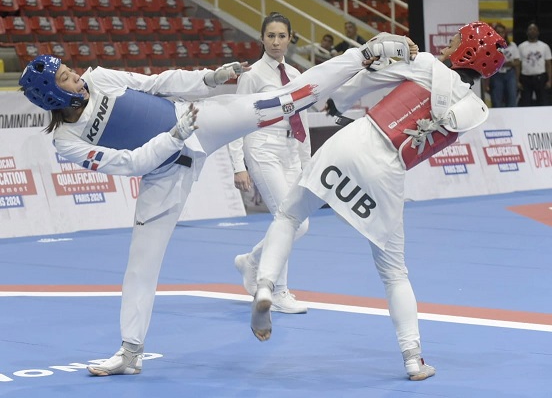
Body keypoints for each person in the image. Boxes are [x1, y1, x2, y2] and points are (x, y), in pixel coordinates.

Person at [18, 32, 408, 375]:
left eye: (69, 69)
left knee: (289, 100)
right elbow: (131, 163)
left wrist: (209, 79)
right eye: (65, 77)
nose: (76, 76)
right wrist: (173, 136)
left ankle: (367, 53)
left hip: (198, 119)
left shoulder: (99, 78)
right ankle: (130, 352)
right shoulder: (67, 142)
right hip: (164, 175)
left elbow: (156, 82)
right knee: (140, 265)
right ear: (52, 95)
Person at [249, 21, 506, 381]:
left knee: (289, 216)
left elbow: (368, 77)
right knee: (395, 274)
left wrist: (337, 100)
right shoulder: (476, 112)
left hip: (358, 140)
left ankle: (264, 286)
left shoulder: (427, 64)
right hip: (389, 173)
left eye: (454, 41)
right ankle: (413, 358)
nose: (447, 45)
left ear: (465, 52)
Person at [229, 12, 310, 314]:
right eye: (270, 36)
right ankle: (277, 290)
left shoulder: (298, 75)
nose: (276, 41)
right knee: (287, 219)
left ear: (290, 38)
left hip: (291, 150)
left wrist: (307, 163)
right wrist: (238, 165)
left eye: (281, 36)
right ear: (261, 38)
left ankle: (251, 261)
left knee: (299, 223)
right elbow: (236, 122)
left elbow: (302, 121)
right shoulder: (251, 76)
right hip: (262, 146)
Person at [484, 23, 519, 107]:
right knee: (496, 98)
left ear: (505, 33)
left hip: (510, 73)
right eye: (498, 32)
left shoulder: (512, 45)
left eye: (502, 32)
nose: (500, 34)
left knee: (512, 97)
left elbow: (517, 62)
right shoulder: (490, 47)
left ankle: (513, 116)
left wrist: (510, 63)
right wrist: (486, 83)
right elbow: (487, 64)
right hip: (496, 74)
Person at [517, 22, 552, 106]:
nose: (532, 31)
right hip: (526, 79)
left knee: (543, 102)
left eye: (534, 29)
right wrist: (517, 81)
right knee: (526, 102)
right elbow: (518, 65)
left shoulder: (544, 46)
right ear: (527, 32)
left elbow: (548, 64)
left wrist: (550, 80)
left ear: (538, 32)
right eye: (530, 29)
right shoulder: (521, 46)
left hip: (541, 78)